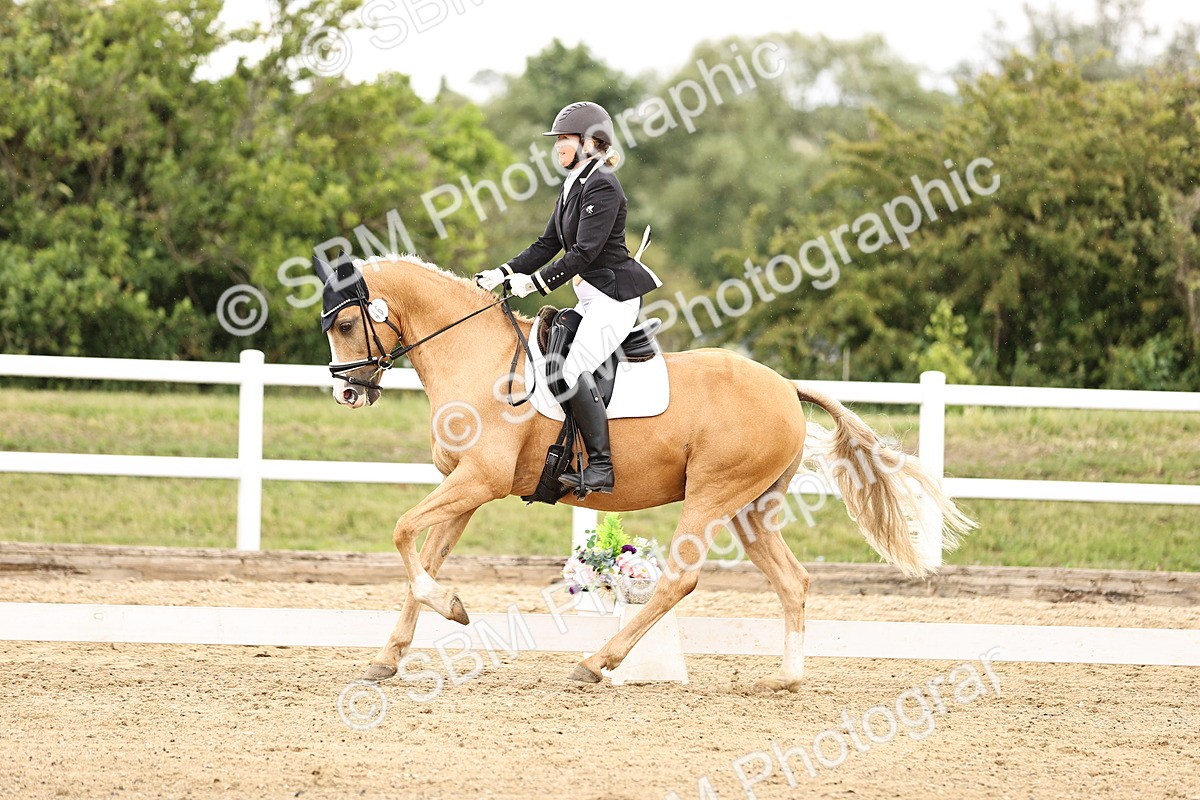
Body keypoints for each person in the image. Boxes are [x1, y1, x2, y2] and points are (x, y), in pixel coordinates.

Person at [475, 101, 661, 495]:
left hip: (614, 298)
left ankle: (601, 467)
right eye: (557, 139)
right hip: (592, 299)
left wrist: (535, 284)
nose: (557, 147)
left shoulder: (604, 185)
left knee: (573, 370)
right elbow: (547, 243)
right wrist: (504, 272)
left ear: (591, 143)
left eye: (564, 139)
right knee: (549, 353)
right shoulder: (572, 184)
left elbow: (584, 253)